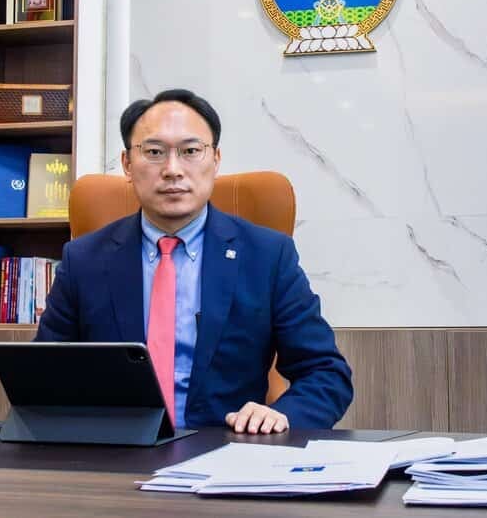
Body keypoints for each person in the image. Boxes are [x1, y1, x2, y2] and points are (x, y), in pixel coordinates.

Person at [35, 89, 353, 433]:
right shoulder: (83, 259)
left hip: (227, 450)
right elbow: (42, 375)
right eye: (154, 152)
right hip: (116, 451)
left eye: (190, 151)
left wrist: (281, 416)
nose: (172, 170)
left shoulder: (267, 256)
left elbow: (326, 374)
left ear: (215, 159)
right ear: (127, 164)